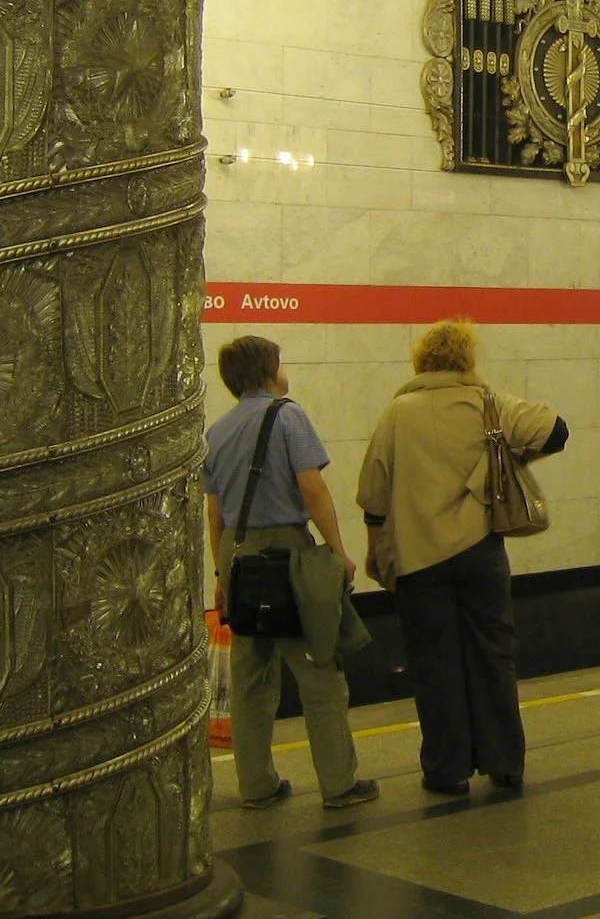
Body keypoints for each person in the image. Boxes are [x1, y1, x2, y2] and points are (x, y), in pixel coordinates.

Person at [358, 321, 565, 797]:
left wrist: (375, 548)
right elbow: (558, 430)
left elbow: (373, 491)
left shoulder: (397, 413)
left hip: (418, 559)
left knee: (434, 662)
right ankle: (505, 761)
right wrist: (514, 460)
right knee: (493, 653)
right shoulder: (489, 404)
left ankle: (446, 770)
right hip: (480, 551)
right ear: (467, 360)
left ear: (421, 361)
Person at [202, 336, 376, 813]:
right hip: (287, 554)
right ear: (267, 371)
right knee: (319, 670)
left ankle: (256, 786)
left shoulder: (216, 431)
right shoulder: (288, 415)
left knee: (251, 678)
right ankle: (339, 784)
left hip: (237, 554)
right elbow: (312, 489)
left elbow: (213, 511)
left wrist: (220, 571)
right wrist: (337, 551)